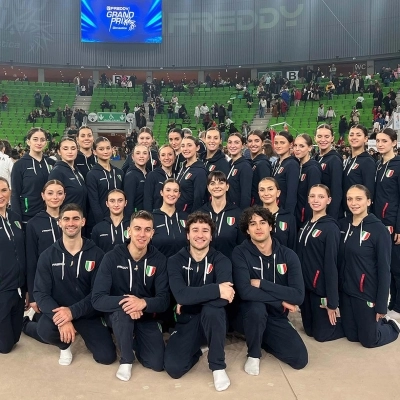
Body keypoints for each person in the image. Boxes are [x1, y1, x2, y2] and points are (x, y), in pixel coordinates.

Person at [27, 204, 116, 366]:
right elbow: (41, 293)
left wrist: (72, 313)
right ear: (59, 223)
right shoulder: (48, 256)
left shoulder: (97, 254)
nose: (71, 223)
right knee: (44, 330)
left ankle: (75, 330)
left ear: (83, 221)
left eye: (75, 218)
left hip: (87, 314)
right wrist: (63, 319)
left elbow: (99, 293)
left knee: (107, 357)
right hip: (59, 311)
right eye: (66, 219)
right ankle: (60, 343)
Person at [92, 210, 169, 381]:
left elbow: (164, 300)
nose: (142, 234)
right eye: (137, 229)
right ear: (128, 231)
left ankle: (134, 340)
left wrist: (143, 303)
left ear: (152, 233)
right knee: (123, 314)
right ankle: (126, 359)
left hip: (145, 315)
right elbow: (97, 299)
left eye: (147, 230)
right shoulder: (111, 257)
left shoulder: (160, 260)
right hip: (119, 314)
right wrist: (129, 303)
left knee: (157, 363)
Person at [232, 206, 308, 374]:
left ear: (271, 226)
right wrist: (280, 301)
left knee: (299, 359)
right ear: (247, 230)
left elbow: (298, 296)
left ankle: (261, 336)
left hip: (275, 315)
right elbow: (245, 291)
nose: (258, 227)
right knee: (256, 308)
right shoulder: (240, 253)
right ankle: (254, 354)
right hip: (249, 315)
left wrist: (262, 283)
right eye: (252, 224)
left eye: (262, 222)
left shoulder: (288, 255)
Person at [164, 211, 234, 392]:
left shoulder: (222, 260)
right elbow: (180, 295)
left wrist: (189, 298)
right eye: (195, 230)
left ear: (211, 236)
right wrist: (217, 289)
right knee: (174, 369)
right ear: (187, 235)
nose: (200, 235)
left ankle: (218, 365)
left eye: (205, 230)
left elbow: (224, 301)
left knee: (213, 310)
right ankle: (200, 348)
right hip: (186, 322)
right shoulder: (174, 261)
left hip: (213, 322)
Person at [338, 185, 400, 347]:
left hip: (366, 293)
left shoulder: (379, 230)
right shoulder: (342, 225)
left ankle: (391, 326)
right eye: (350, 199)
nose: (353, 203)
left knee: (369, 340)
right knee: (351, 336)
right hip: (347, 291)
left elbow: (384, 270)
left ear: (369, 201)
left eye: (359, 199)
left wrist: (381, 305)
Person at [297, 185, 344, 342]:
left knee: (321, 336)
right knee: (309, 330)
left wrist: (332, 302)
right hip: (306, 289)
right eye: (312, 196)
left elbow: (332, 265)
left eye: (321, 196)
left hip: (321, 290)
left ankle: (352, 321)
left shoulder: (331, 228)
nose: (316, 200)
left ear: (328, 200)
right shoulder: (305, 225)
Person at [26, 180, 65, 316]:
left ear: (64, 196)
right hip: (44, 282)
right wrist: (32, 295)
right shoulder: (33, 224)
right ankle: (27, 324)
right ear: (43, 195)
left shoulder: (70, 220)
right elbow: (31, 261)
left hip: (68, 280)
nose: (55, 197)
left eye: (59, 193)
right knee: (50, 331)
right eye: (50, 193)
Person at [374, 128, 400, 319]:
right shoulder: (379, 165)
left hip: (393, 224)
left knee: (397, 266)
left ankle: (398, 305)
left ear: (394, 142)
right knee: (387, 265)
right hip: (379, 224)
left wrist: (399, 226)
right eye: (378, 141)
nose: (380, 144)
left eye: (384, 141)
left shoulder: (398, 165)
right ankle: (392, 301)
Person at [0, 177, 26, 353]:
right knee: (5, 347)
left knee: (15, 338)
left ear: (10, 192)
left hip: (18, 285)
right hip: (2, 287)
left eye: (3, 190)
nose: (0, 195)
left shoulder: (15, 218)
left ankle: (25, 324)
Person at [11, 128, 55, 225]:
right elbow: (15, 194)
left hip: (51, 215)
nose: (39, 143)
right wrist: (17, 220)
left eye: (42, 140)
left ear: (46, 143)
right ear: (28, 142)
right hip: (28, 217)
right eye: (35, 139)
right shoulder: (19, 165)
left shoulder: (52, 163)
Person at [199, 171, 243, 260]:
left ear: (227, 187)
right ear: (208, 188)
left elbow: (242, 245)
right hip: (205, 265)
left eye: (221, 183)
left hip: (230, 265)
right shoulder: (200, 213)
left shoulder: (238, 213)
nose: (217, 186)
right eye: (212, 183)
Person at [86, 137, 124, 226]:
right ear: (94, 152)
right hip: (100, 222)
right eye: (101, 149)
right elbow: (94, 202)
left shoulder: (119, 172)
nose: (105, 151)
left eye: (108, 148)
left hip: (119, 221)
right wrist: (102, 223)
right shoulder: (92, 174)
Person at [342, 125, 376, 215]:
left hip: (358, 212)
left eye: (358, 135)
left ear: (365, 139)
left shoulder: (368, 161)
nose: (354, 137)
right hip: (346, 210)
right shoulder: (348, 160)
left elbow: (369, 191)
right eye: (351, 134)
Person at [48, 137, 87, 215]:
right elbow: (53, 200)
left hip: (79, 218)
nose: (70, 152)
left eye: (73, 148)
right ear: (59, 152)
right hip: (66, 220)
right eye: (65, 149)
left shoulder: (76, 170)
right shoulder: (57, 171)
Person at [258, 177, 297, 250]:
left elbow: (293, 247)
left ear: (278, 193)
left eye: (270, 189)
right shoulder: (253, 216)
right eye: (262, 190)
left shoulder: (288, 218)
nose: (266, 193)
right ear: (259, 193)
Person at [152, 179, 188, 258]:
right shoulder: (152, 218)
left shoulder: (186, 217)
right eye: (168, 190)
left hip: (182, 266)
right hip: (160, 266)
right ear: (161, 192)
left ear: (179, 194)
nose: (171, 194)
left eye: (175, 191)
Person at [293, 134, 322, 228]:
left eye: (301, 146)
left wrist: (307, 218)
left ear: (310, 148)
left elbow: (313, 197)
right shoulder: (296, 166)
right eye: (295, 145)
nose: (297, 149)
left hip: (305, 218)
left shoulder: (313, 169)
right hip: (296, 215)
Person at [314, 124, 343, 219]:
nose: (323, 140)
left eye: (326, 136)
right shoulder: (316, 158)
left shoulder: (334, 160)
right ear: (315, 138)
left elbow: (336, 190)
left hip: (327, 213)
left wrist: (331, 217)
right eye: (319, 136)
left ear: (332, 138)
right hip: (316, 209)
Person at [91, 189, 130, 254]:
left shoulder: (133, 226)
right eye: (112, 201)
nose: (116, 204)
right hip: (104, 264)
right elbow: (94, 253)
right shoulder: (98, 228)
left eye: (120, 201)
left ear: (125, 203)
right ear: (107, 203)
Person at [176, 136, 207, 213]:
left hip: (188, 216)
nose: (185, 149)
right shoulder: (183, 166)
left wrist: (193, 219)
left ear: (197, 147)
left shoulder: (200, 171)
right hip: (178, 213)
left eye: (189, 145)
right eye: (183, 146)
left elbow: (198, 199)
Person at [272, 131, 300, 214]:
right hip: (275, 209)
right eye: (276, 143)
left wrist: (288, 214)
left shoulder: (292, 164)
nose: (278, 146)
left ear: (291, 145)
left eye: (282, 143)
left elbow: (292, 193)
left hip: (284, 211)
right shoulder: (276, 163)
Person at [143, 145, 175, 213]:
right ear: (159, 158)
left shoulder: (177, 175)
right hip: (156, 217)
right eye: (163, 155)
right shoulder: (152, 175)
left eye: (170, 154)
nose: (166, 158)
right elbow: (147, 200)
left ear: (174, 156)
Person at [226, 133, 253, 209]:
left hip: (237, 211)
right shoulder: (229, 164)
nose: (232, 146)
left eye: (236, 142)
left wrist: (242, 216)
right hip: (227, 209)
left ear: (243, 146)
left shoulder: (245, 166)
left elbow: (246, 195)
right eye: (230, 142)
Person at [124, 145, 150, 216]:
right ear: (133, 157)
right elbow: (129, 202)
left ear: (148, 157)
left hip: (148, 216)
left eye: (144, 153)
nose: (141, 156)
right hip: (136, 217)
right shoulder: (131, 176)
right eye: (138, 153)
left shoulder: (150, 175)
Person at [247, 130, 271, 205]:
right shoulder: (252, 162)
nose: (253, 144)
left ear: (263, 143)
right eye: (250, 141)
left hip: (258, 207)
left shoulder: (262, 164)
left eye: (257, 141)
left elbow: (265, 191)